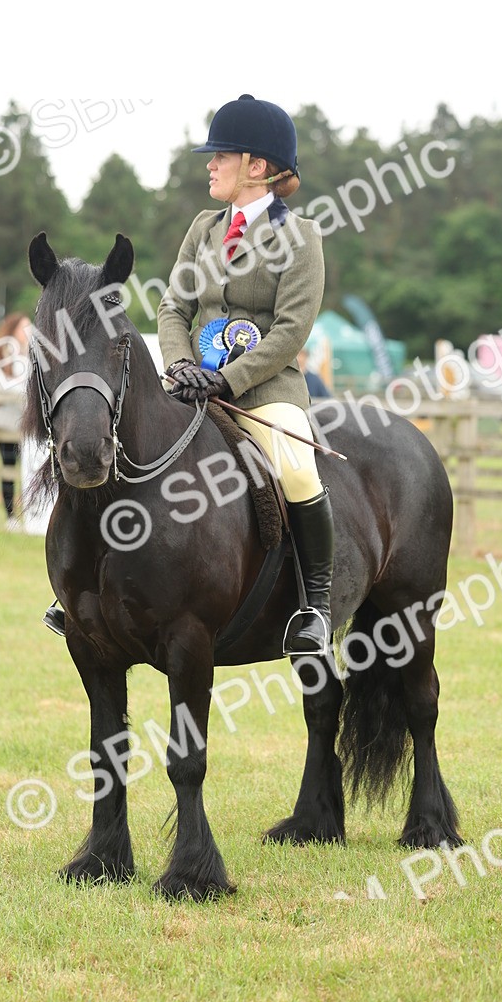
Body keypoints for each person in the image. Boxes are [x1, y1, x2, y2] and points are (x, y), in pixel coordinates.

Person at [157, 93, 334, 656]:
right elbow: (172, 308)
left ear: (256, 167)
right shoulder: (203, 229)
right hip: (189, 388)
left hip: (263, 392)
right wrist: (182, 365)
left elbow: (290, 331)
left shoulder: (300, 237)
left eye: (221, 156)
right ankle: (89, 589)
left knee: (297, 468)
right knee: (122, 439)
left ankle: (316, 609)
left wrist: (227, 381)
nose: (209, 164)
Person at [0, 312, 32, 529]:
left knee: (29, 469)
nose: (28, 332)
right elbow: (0, 385)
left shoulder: (32, 355)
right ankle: (10, 516)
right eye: (23, 327)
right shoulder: (1, 355)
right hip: (6, 421)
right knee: (8, 468)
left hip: (26, 422)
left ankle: (30, 514)